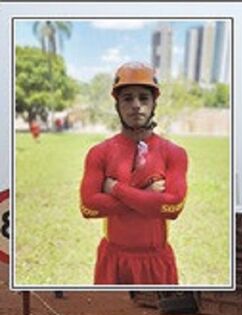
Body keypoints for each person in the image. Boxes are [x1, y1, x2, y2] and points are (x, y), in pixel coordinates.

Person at [79, 62, 188, 285]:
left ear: (154, 103)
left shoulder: (173, 153)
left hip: (155, 261)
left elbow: (173, 207)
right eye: (127, 98)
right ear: (117, 105)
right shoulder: (100, 152)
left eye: (143, 98)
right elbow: (88, 207)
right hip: (113, 259)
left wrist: (116, 189)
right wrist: (147, 196)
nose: (136, 105)